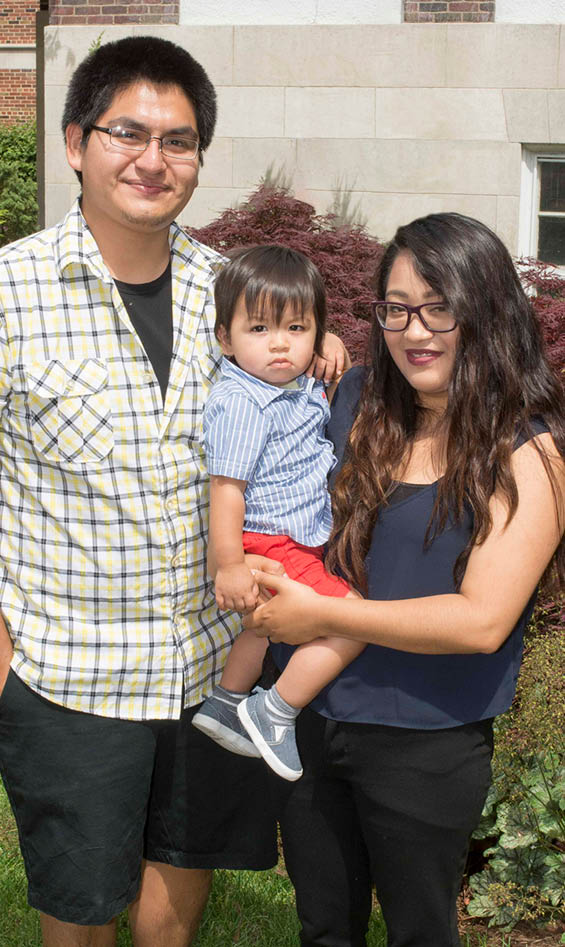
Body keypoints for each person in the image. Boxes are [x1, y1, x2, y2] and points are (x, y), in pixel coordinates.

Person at [0, 35, 346, 947]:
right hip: (70, 675)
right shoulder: (11, 291)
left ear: (198, 158)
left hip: (208, 668)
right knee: (77, 916)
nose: (153, 159)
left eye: (179, 140)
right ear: (76, 142)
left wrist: (329, 349)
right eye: (127, 132)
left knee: (174, 911)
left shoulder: (228, 292)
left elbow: (293, 362)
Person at [244, 213, 565, 947]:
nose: (413, 330)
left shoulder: (529, 451)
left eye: (438, 306)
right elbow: (247, 380)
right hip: (307, 722)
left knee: (420, 932)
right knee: (324, 926)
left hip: (426, 741)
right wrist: (311, 337)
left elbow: (480, 620)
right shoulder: (356, 401)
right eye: (394, 307)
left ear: (485, 311)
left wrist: (323, 619)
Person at [192, 245, 361, 782]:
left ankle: (225, 701)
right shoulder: (243, 401)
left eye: (296, 328)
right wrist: (229, 565)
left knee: (262, 627)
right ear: (225, 338)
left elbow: (312, 358)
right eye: (260, 329)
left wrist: (327, 341)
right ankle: (273, 712)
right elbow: (227, 490)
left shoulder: (285, 384)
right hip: (269, 541)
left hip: (289, 538)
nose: (280, 344)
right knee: (353, 622)